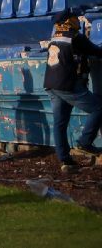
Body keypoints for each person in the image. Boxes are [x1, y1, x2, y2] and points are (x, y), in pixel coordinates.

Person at [43, 10, 102, 172]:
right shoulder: (75, 37)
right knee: (98, 108)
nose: (78, 20)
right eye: (75, 18)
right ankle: (85, 142)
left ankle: (66, 161)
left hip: (51, 84)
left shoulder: (55, 37)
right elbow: (97, 51)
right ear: (69, 21)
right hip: (67, 84)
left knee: (59, 123)